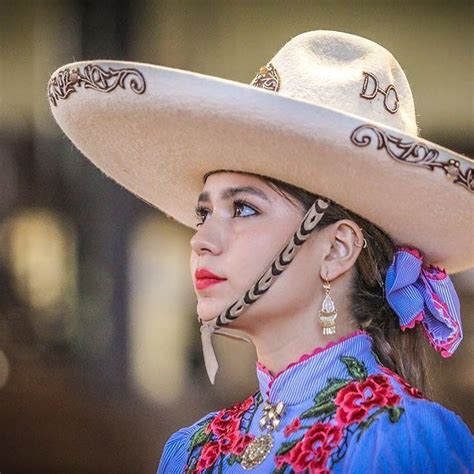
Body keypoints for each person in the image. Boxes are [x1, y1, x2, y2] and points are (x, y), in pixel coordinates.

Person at [47, 29, 473, 473]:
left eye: (244, 208)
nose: (201, 240)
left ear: (337, 249)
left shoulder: (402, 439)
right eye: (203, 213)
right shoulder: (191, 450)